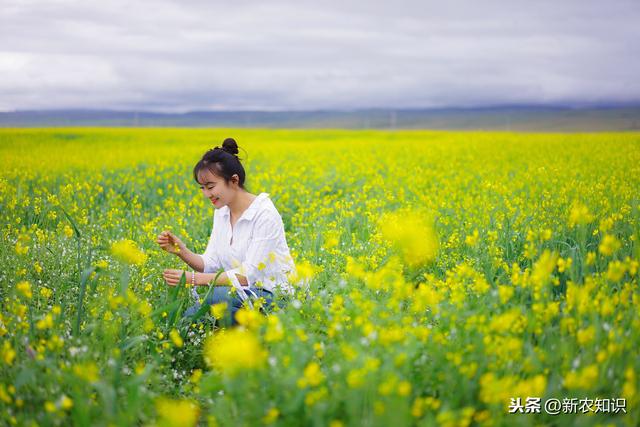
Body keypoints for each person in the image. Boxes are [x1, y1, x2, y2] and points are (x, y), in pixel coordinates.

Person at [156, 137, 296, 326]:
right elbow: (210, 263)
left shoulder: (264, 214)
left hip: (274, 297)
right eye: (203, 188)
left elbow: (247, 276)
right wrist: (181, 251)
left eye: (211, 187)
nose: (207, 194)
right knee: (193, 317)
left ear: (234, 180)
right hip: (241, 296)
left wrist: (194, 279)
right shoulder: (222, 212)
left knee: (218, 297)